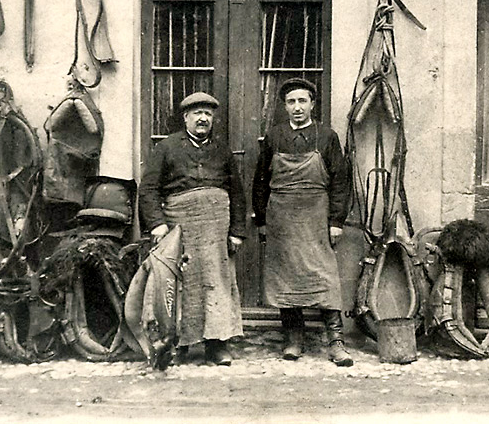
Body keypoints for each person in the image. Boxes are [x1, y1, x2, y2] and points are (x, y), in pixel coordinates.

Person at [139, 92, 246, 366]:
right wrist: (157, 224)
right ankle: (178, 344)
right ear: (186, 117)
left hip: (216, 230)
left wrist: (237, 231)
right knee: (178, 284)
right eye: (197, 113)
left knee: (216, 284)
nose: (202, 118)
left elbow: (237, 192)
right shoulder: (167, 147)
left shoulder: (222, 150)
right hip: (179, 227)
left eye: (207, 114)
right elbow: (148, 189)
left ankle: (217, 345)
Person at [252, 78, 353, 366]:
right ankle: (293, 339)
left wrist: (336, 221)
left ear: (312, 104)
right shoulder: (274, 136)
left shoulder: (327, 136)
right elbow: (260, 181)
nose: (297, 107)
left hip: (316, 216)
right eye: (291, 102)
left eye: (302, 101)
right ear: (285, 107)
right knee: (286, 278)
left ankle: (335, 342)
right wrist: (262, 220)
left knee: (324, 276)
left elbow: (340, 182)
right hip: (281, 218)